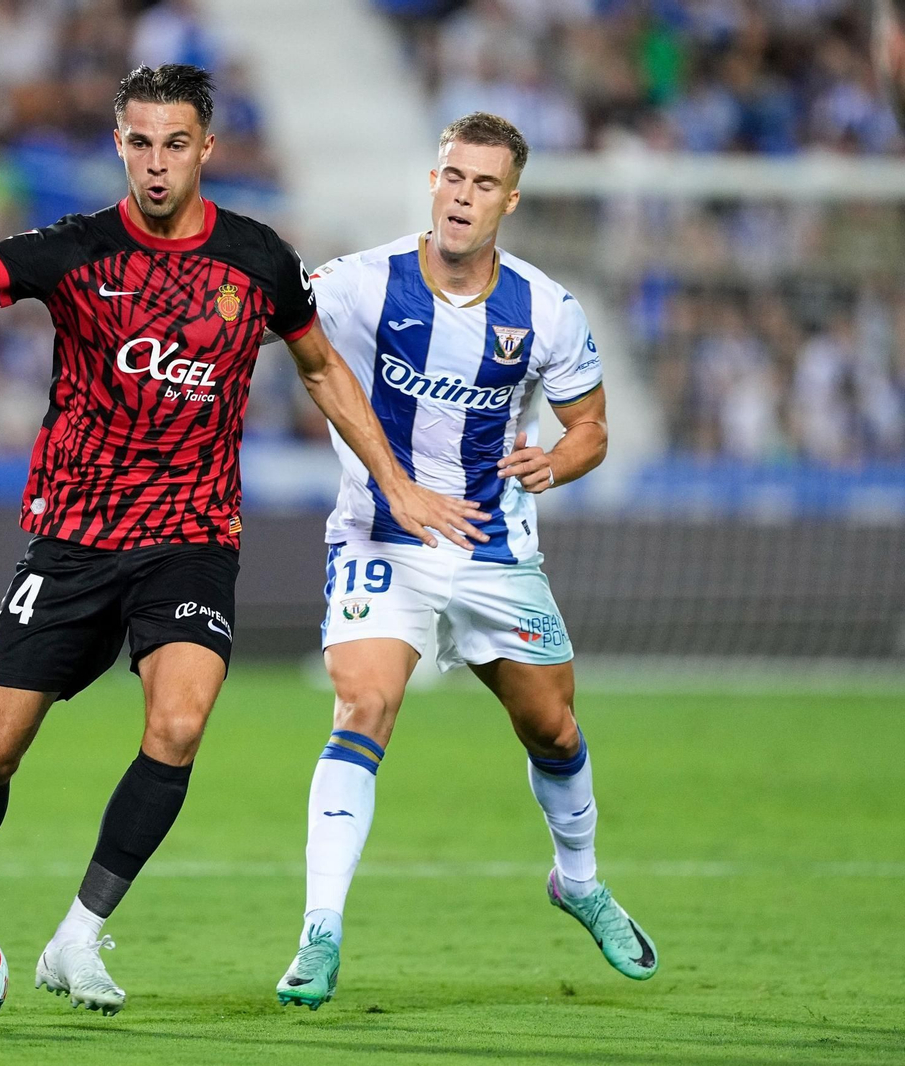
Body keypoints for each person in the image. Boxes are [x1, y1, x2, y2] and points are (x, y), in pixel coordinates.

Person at [0, 64, 486, 1017]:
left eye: (176, 144)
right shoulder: (73, 250)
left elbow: (320, 371)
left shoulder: (260, 262)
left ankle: (78, 935)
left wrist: (397, 484)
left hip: (192, 536)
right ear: (120, 145)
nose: (157, 165)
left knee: (180, 723)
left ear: (207, 149)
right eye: (140, 143)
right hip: (73, 539)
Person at [274, 112, 658, 1010]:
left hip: (494, 546)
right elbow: (266, 325)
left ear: (509, 201)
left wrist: (555, 463)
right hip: (383, 533)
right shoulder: (362, 283)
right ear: (433, 180)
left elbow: (592, 425)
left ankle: (579, 879)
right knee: (364, 702)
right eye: (452, 176)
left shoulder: (548, 309)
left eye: (483, 184)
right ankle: (319, 933)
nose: (461, 195)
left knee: (554, 729)